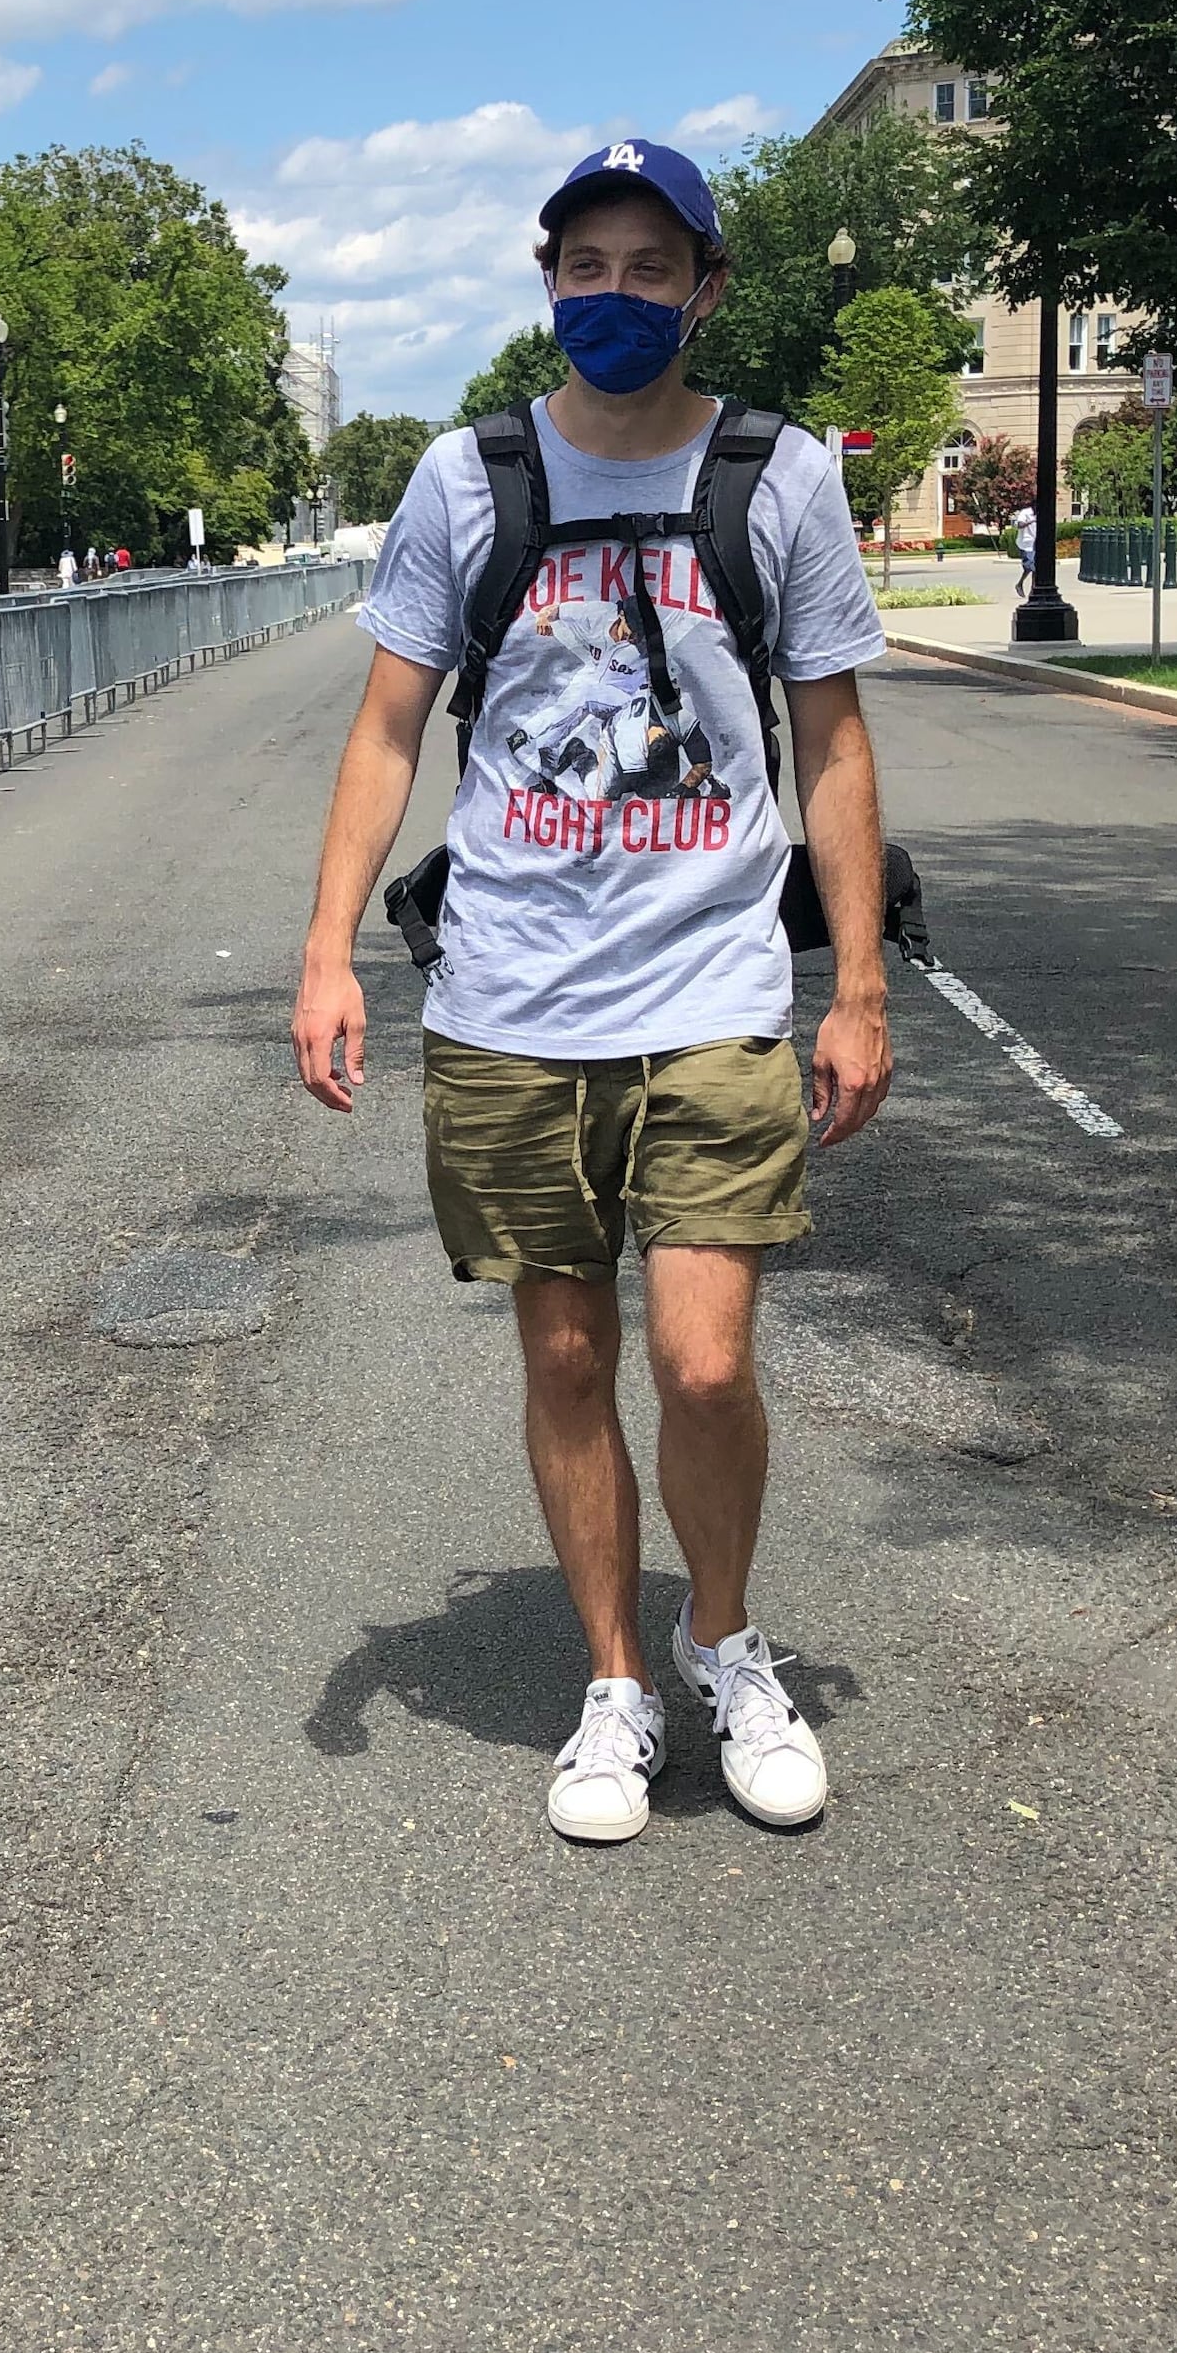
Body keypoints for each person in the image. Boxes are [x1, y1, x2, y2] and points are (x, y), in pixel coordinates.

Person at [291, 137, 895, 1848]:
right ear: (546, 282)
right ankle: (617, 1683)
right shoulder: (467, 480)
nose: (613, 297)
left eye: (651, 268)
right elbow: (390, 724)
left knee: (702, 1367)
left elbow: (834, 742)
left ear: (706, 289)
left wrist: (854, 987)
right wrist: (326, 950)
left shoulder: (775, 478)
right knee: (565, 1354)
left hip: (710, 982)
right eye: (585, 266)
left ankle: (728, 1641)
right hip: (509, 1001)